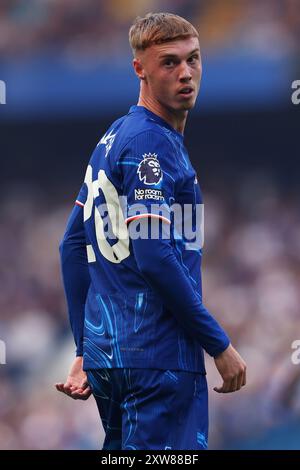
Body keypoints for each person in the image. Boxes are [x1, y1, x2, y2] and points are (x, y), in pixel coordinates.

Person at [56, 12, 246, 450]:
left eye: (193, 60)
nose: (185, 73)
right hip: (159, 358)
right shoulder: (151, 142)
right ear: (139, 68)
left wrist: (86, 348)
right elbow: (155, 256)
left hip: (113, 359)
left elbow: (71, 245)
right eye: (169, 62)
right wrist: (219, 344)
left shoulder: (113, 137)